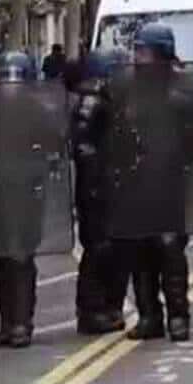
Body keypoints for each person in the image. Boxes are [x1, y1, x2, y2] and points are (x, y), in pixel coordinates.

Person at [120, 23, 193, 342]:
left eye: (144, 51)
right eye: (136, 50)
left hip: (168, 182)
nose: (137, 57)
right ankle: (149, 315)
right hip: (135, 182)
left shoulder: (183, 91)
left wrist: (177, 159)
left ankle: (179, 315)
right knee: (140, 250)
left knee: (169, 248)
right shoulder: (127, 89)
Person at [0, 50, 44, 348]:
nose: (9, 86)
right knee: (0, 258)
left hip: (26, 192)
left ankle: (22, 322)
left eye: (14, 79)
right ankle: (7, 321)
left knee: (20, 257)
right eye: (4, 79)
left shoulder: (38, 110)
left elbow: (54, 144)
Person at [72, 47, 131, 334]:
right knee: (100, 249)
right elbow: (83, 147)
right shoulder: (91, 101)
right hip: (98, 189)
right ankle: (93, 310)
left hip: (113, 185)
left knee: (116, 249)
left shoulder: (115, 100)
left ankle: (110, 307)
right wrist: (99, 181)